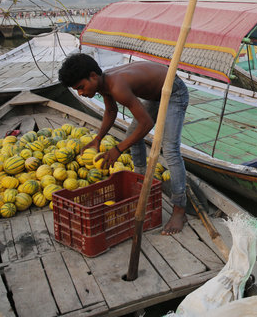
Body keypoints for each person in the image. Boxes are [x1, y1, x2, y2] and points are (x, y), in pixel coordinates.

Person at [58, 53, 189, 235]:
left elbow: (146, 124)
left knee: (170, 150)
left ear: (93, 76)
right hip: (155, 94)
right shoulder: (104, 84)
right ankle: (141, 184)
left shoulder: (117, 86)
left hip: (174, 90)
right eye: (77, 90)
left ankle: (179, 210)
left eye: (81, 87)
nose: (81, 93)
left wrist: (117, 150)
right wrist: (97, 139)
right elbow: (111, 111)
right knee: (132, 137)